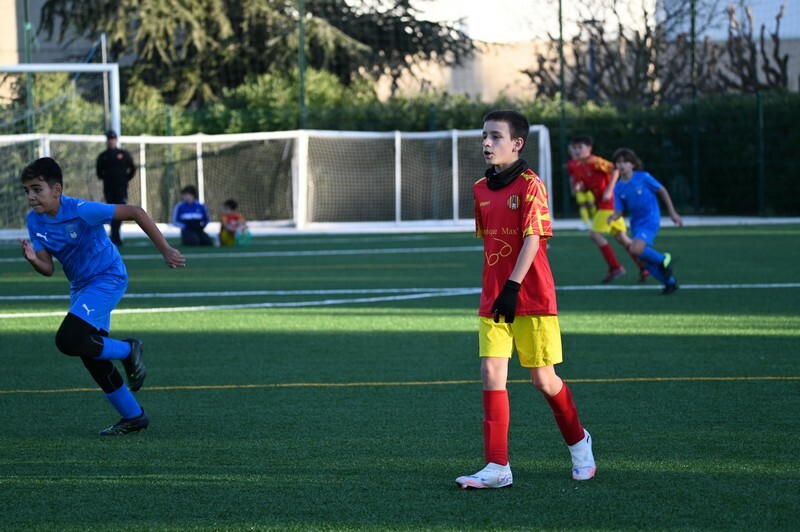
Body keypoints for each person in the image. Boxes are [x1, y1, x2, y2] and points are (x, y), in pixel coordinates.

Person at [456, 110, 595, 490]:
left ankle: (580, 444)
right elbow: (491, 244)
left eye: (495, 136)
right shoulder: (480, 190)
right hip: (493, 298)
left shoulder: (532, 185)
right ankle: (497, 466)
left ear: (517, 144)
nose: (487, 143)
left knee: (543, 379)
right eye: (484, 136)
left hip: (530, 296)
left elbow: (533, 239)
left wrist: (513, 287)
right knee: (491, 373)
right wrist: (497, 290)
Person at [18, 157, 185, 435]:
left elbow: (135, 211)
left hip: (108, 277)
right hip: (81, 286)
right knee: (89, 354)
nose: (31, 197)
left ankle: (128, 349)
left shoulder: (81, 210)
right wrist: (34, 260)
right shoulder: (34, 221)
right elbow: (48, 268)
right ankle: (134, 416)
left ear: (57, 190)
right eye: (27, 191)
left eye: (37, 189)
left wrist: (166, 249)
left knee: (68, 339)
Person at [567, 135, 647, 283]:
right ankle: (645, 267)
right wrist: (580, 188)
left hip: (609, 204)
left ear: (589, 148)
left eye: (580, 147)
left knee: (594, 234)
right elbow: (585, 187)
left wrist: (609, 189)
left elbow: (615, 170)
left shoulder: (595, 161)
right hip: (606, 205)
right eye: (575, 148)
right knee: (622, 238)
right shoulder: (578, 167)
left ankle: (615, 267)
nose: (577, 151)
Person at [609, 148, 683, 295]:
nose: (621, 165)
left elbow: (662, 190)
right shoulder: (618, 187)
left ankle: (663, 259)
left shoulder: (643, 177)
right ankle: (670, 282)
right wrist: (613, 217)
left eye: (625, 162)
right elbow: (619, 211)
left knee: (635, 249)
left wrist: (672, 212)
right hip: (636, 223)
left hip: (650, 218)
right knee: (643, 260)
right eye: (618, 162)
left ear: (633, 164)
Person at [96, 130, 136, 246]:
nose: (111, 141)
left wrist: (125, 179)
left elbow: (132, 168)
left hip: (121, 189)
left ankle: (115, 235)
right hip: (109, 189)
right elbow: (99, 172)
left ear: (116, 140)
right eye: (109, 139)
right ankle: (115, 236)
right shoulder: (103, 156)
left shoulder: (124, 154)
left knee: (121, 211)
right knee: (112, 212)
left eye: (113, 139)